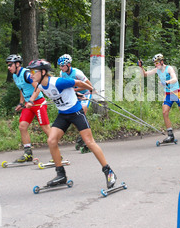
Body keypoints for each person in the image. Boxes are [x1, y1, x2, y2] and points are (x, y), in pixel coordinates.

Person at [27, 59, 117, 189]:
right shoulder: (40, 83)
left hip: (76, 113)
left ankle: (109, 172)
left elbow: (80, 82)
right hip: (63, 114)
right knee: (51, 140)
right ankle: (61, 175)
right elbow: (37, 89)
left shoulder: (58, 81)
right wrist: (30, 101)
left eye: (33, 71)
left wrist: (91, 90)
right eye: (30, 71)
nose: (31, 74)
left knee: (89, 142)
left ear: (43, 72)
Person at [138, 53, 180, 144]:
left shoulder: (169, 68)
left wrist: (166, 82)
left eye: (157, 63)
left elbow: (175, 79)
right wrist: (141, 67)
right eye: (155, 63)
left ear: (162, 62)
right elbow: (145, 74)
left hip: (176, 93)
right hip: (168, 95)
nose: (155, 65)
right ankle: (170, 135)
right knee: (165, 112)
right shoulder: (157, 70)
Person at [6, 54, 51, 163]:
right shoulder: (15, 76)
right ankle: (28, 153)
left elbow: (38, 87)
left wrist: (31, 100)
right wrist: (21, 103)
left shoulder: (26, 74)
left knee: (45, 128)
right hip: (28, 104)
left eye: (10, 65)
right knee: (22, 126)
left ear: (17, 64)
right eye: (7, 65)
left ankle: (57, 152)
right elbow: (22, 89)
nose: (8, 67)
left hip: (38, 103)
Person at [57, 54, 93, 152]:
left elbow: (89, 86)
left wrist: (76, 89)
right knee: (76, 118)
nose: (61, 68)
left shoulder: (77, 73)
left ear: (68, 64)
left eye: (62, 65)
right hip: (75, 95)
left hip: (85, 94)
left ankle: (86, 141)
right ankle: (82, 137)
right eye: (60, 66)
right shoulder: (62, 73)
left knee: (82, 114)